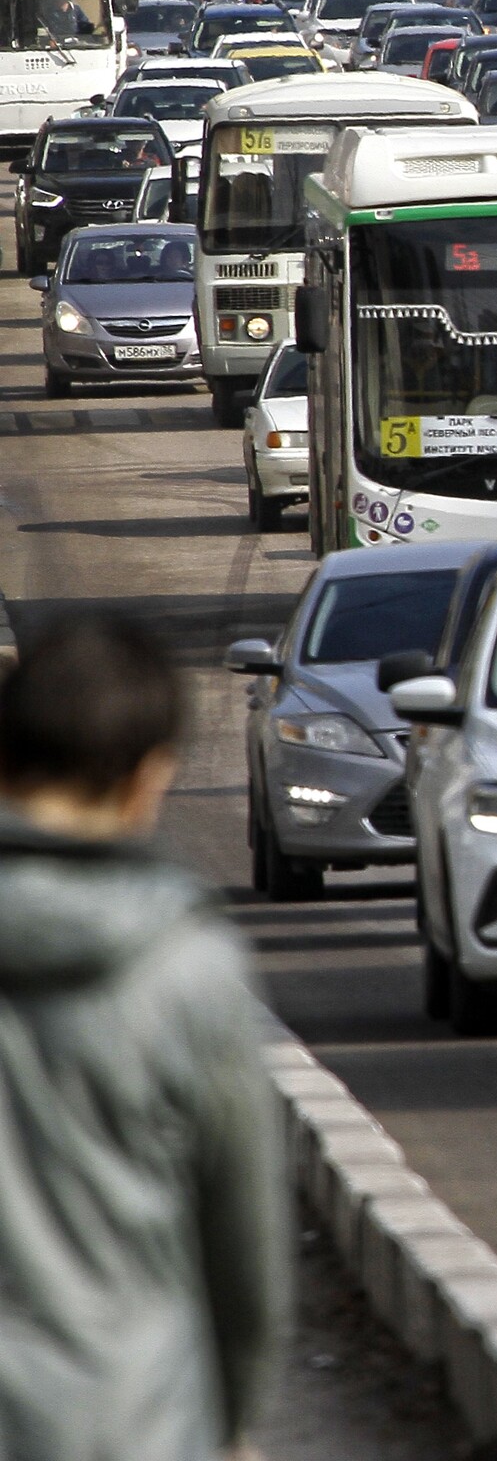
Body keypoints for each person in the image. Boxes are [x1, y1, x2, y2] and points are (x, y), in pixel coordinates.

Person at [0, 612, 285, 1460]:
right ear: (146, 780)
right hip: (135, 1413)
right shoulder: (185, 963)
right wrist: (234, 1418)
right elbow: (241, 1240)